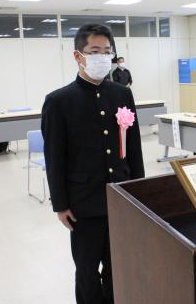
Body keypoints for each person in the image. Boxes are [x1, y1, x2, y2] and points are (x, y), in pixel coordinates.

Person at [42, 24, 145, 304]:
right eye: (94, 51)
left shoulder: (122, 95)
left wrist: (139, 191)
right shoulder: (59, 101)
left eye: (107, 51)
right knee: (87, 271)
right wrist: (60, 204)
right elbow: (55, 158)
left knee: (117, 267)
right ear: (78, 56)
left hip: (121, 199)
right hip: (83, 204)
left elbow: (133, 148)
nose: (102, 57)